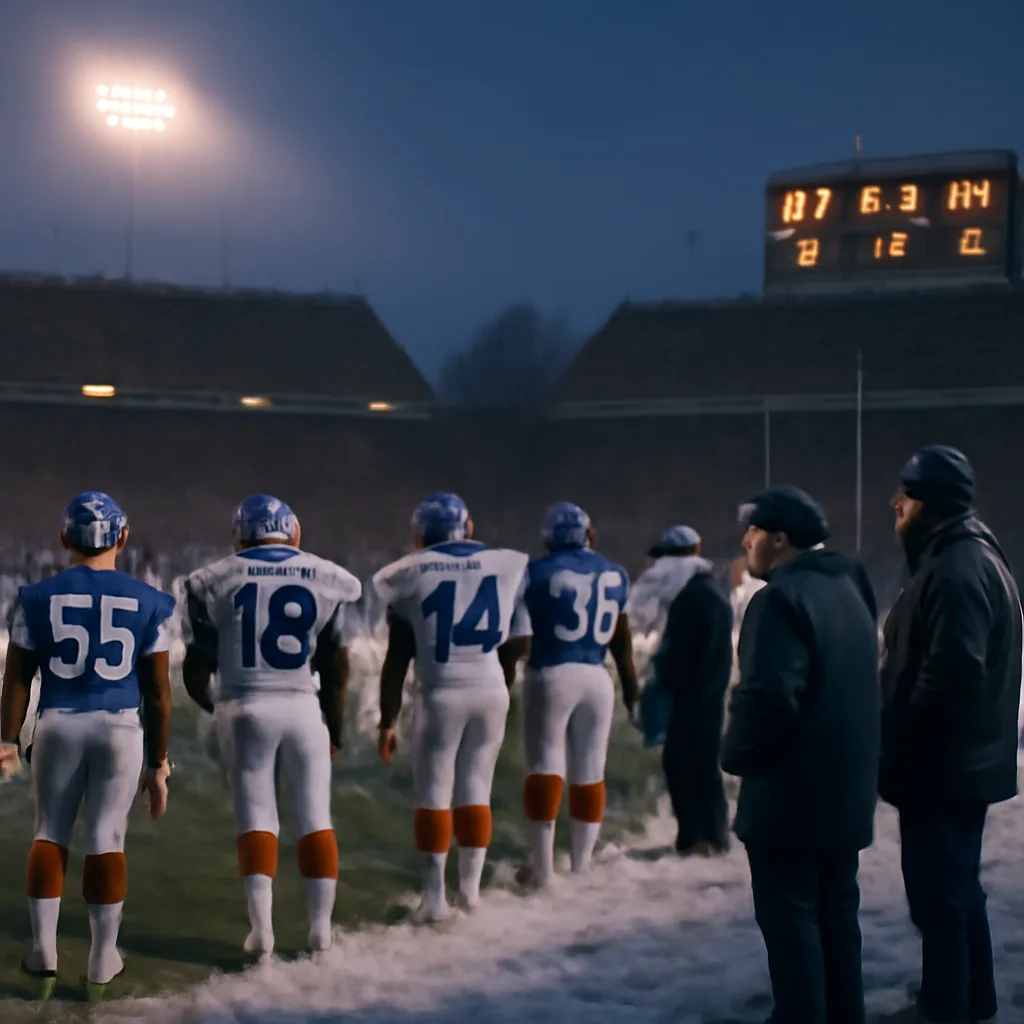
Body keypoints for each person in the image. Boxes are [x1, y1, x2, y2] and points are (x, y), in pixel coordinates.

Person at [0, 492, 173, 1002]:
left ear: (63, 539)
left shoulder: (35, 597)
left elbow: (15, 681)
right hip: (120, 728)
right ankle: (101, 962)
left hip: (57, 723)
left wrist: (7, 741)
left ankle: (43, 954)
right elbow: (160, 697)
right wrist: (158, 764)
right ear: (122, 537)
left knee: (49, 832)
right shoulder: (151, 600)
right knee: (106, 837)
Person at [721, 484, 879, 1024]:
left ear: (780, 538)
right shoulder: (850, 585)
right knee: (838, 922)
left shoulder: (780, 600)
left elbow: (769, 698)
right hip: (847, 793)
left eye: (754, 531)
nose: (745, 541)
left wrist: (735, 753)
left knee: (793, 933)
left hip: (792, 800)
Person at [181, 494, 361, 958]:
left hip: (246, 706)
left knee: (257, 819)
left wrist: (217, 710)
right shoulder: (328, 577)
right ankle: (320, 931)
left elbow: (196, 667)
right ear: (294, 532)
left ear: (239, 536)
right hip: (302, 707)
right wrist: (335, 729)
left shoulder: (212, 579)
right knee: (316, 819)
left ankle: (262, 932)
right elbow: (337, 668)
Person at [880, 446, 1022, 1024]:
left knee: (940, 896)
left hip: (944, 768)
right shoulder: (965, 555)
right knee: (957, 890)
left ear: (932, 504)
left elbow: (952, 674)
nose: (896, 504)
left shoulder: (958, 568)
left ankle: (947, 1006)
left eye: (907, 496)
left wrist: (904, 737)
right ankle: (970, 998)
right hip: (960, 764)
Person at [372, 493, 528, 921]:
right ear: (469, 528)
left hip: (441, 692)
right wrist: (502, 675)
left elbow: (397, 658)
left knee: (435, 796)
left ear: (420, 535)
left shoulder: (405, 575)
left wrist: (386, 721)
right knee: (476, 790)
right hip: (489, 686)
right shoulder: (507, 564)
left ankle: (435, 898)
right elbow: (519, 640)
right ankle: (471, 895)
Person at [505, 502, 639, 888]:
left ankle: (544, 870)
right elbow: (623, 641)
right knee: (590, 771)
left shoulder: (535, 573)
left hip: (551, 672)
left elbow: (520, 636)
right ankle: (581, 867)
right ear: (588, 534)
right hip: (597, 677)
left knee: (546, 768)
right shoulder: (616, 572)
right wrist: (632, 692)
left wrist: (505, 671)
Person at [650, 528, 734, 857]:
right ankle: (715, 836)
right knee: (704, 765)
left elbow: (680, 653)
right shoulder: (712, 591)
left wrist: (664, 682)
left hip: (692, 695)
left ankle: (696, 838)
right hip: (710, 693)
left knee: (682, 764)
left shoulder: (690, 597)